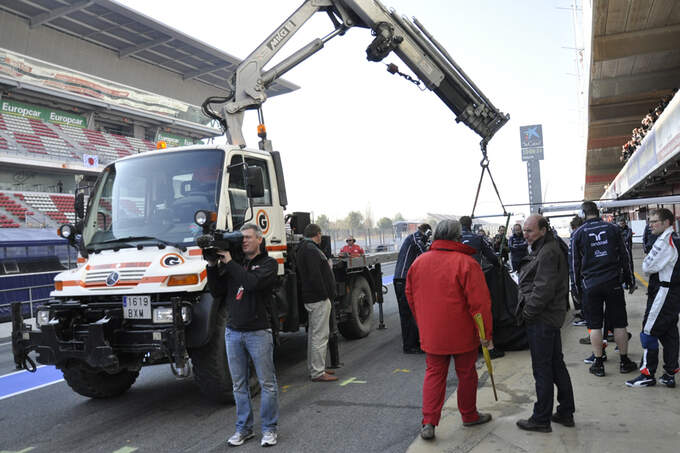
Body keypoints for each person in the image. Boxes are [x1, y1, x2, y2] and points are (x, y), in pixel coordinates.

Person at [406, 219, 493, 440]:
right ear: (457, 237)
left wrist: (423, 322)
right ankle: (469, 415)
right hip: (463, 332)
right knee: (466, 375)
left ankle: (429, 422)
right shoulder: (466, 263)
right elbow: (479, 304)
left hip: (433, 332)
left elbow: (411, 295)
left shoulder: (419, 262)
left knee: (434, 375)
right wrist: (485, 334)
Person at [205, 223, 279, 447]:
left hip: (258, 332)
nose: (244, 240)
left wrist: (229, 262)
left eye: (248, 237)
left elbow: (251, 283)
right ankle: (244, 429)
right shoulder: (234, 265)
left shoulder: (268, 264)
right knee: (239, 386)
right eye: (241, 238)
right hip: (233, 332)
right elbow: (217, 291)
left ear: (259, 240)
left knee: (267, 384)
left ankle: (269, 429)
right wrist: (211, 265)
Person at [516, 215, 575, 433]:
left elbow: (543, 289)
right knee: (556, 364)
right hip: (549, 317)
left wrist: (528, 313)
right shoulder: (546, 246)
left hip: (542, 318)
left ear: (543, 230)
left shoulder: (548, 251)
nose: (525, 235)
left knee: (542, 369)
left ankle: (541, 418)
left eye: (529, 231)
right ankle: (566, 411)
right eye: (524, 231)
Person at [570, 201, 638, 377]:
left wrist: (576, 290)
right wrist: (630, 279)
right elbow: (625, 255)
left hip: (590, 285)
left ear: (583, 214)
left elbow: (574, 265)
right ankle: (624, 362)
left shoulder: (577, 234)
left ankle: (599, 363)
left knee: (594, 326)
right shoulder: (613, 228)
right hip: (613, 283)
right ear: (597, 212)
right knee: (620, 323)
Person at [626, 208, 680, 388]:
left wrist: (649, 257)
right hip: (672, 293)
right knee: (669, 332)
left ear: (666, 223)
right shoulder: (674, 239)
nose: (650, 225)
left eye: (654, 221)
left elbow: (647, 267)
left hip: (663, 293)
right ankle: (669, 373)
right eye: (649, 221)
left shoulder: (665, 242)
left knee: (648, 332)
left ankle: (647, 374)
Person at [295, 223, 338, 382]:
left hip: (312, 298)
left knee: (315, 336)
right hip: (318, 299)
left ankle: (315, 368)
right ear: (318, 234)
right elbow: (315, 276)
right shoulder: (311, 250)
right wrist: (325, 295)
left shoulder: (303, 248)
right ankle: (318, 372)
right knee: (320, 336)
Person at [460, 216, 504, 358]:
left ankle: (467, 344)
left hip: (455, 281)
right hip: (474, 279)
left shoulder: (454, 238)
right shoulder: (478, 238)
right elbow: (491, 256)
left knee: (462, 312)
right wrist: (499, 266)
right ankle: (488, 347)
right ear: (471, 224)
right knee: (482, 312)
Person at [393, 223, 431, 354]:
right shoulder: (414, 237)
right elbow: (424, 252)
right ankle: (409, 346)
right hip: (402, 280)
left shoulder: (414, 239)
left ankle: (413, 342)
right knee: (407, 314)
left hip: (405, 280)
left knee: (411, 313)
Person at [569, 215, 587, 327]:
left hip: (580, 272)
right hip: (579, 271)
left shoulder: (577, 235)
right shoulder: (577, 235)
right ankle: (584, 313)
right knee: (580, 294)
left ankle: (586, 317)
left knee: (582, 294)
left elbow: (575, 259)